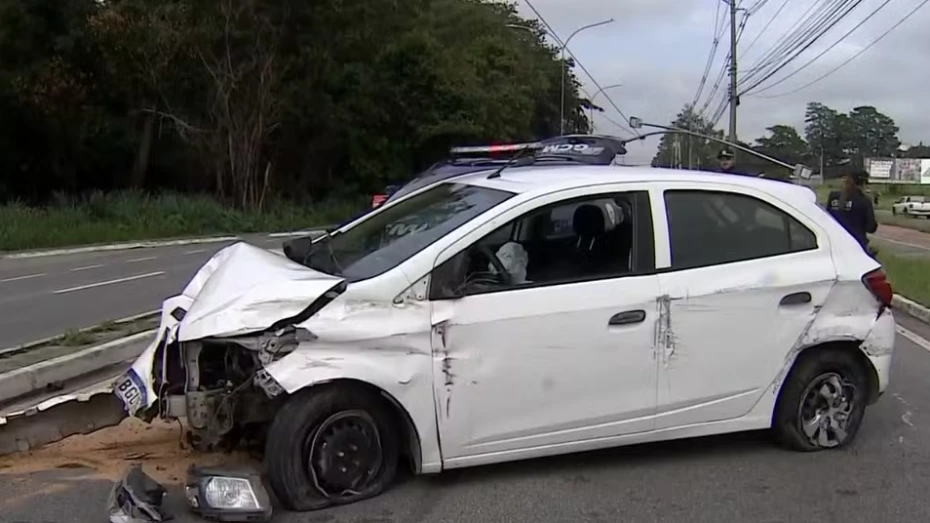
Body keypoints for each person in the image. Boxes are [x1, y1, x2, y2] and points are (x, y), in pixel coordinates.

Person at [825, 170, 878, 254]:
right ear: (863, 184)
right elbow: (871, 227)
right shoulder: (864, 200)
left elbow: (827, 218)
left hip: (834, 244)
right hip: (856, 245)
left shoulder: (833, 196)